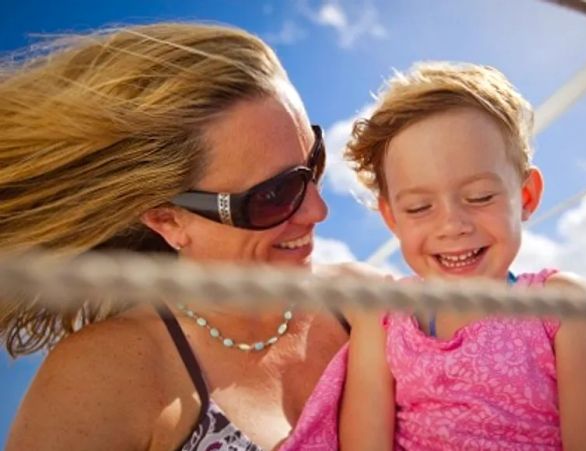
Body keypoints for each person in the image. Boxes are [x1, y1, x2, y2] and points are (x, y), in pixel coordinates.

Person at [0, 23, 356, 451]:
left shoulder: (360, 306)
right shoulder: (105, 377)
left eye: (312, 162)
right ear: (167, 221)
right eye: (274, 195)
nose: (318, 210)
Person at [281, 62, 586, 450]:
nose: (453, 225)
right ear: (392, 217)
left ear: (527, 197)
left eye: (480, 197)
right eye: (419, 207)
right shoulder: (383, 321)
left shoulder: (562, 309)